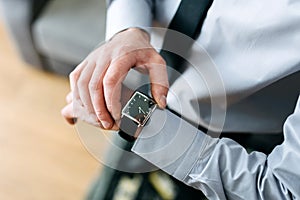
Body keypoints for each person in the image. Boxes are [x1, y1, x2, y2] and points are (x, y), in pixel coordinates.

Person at [61, 0, 300, 199]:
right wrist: (127, 30)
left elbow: (283, 190)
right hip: (136, 92)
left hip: (229, 147)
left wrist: (146, 125)